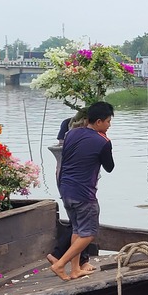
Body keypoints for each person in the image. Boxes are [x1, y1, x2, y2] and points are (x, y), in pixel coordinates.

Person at [50, 101, 115, 281]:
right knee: (89, 234)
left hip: (66, 189)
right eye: (108, 122)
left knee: (77, 230)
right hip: (84, 193)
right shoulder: (103, 141)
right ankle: (60, 264)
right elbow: (109, 167)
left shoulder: (71, 133)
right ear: (99, 121)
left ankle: (75, 269)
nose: (109, 126)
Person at [47, 116, 93, 271]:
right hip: (76, 183)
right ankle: (61, 257)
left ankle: (78, 262)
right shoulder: (75, 130)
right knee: (81, 224)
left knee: (79, 222)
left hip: (68, 180)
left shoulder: (68, 126)